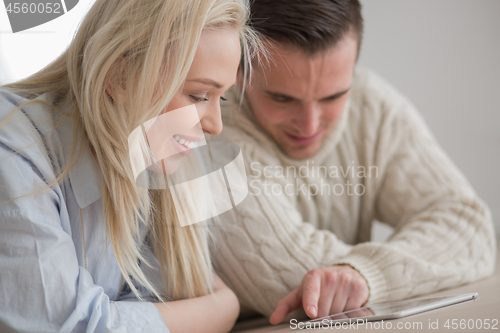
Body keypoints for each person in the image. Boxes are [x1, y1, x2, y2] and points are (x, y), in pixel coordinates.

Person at [208, 0, 497, 325]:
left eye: (333, 97)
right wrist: (406, 268)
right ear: (239, 72)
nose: (310, 124)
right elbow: (295, 285)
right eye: (282, 98)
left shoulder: (371, 106)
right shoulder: (212, 130)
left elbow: (471, 228)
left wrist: (367, 274)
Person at [0, 0, 260, 332]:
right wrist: (224, 307)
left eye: (221, 97)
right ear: (120, 77)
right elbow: (65, 326)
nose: (215, 125)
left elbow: (146, 305)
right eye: (198, 96)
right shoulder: (12, 147)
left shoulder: (144, 161)